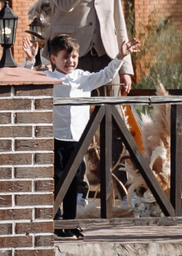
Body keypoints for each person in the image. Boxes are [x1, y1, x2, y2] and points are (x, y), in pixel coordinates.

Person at [43, 33, 137, 232]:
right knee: (56, 179)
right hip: (55, 138)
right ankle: (55, 220)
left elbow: (105, 75)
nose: (70, 62)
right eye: (65, 57)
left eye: (74, 57)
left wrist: (120, 57)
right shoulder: (48, 78)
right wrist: (29, 60)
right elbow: (27, 78)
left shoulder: (82, 78)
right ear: (54, 59)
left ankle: (69, 223)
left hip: (77, 140)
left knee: (73, 181)